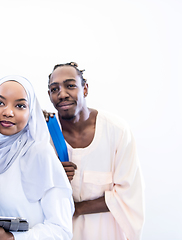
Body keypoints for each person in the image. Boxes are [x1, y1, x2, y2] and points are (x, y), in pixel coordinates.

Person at [47, 62, 145, 240]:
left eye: (70, 86)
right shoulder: (45, 135)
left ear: (84, 89)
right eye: (54, 89)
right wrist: (52, 176)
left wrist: (75, 209)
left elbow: (127, 194)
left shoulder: (117, 131)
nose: (62, 94)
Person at [0, 75, 74, 240]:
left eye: (20, 105)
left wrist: (10, 238)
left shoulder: (40, 153)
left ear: (31, 112)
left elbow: (61, 230)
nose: (8, 112)